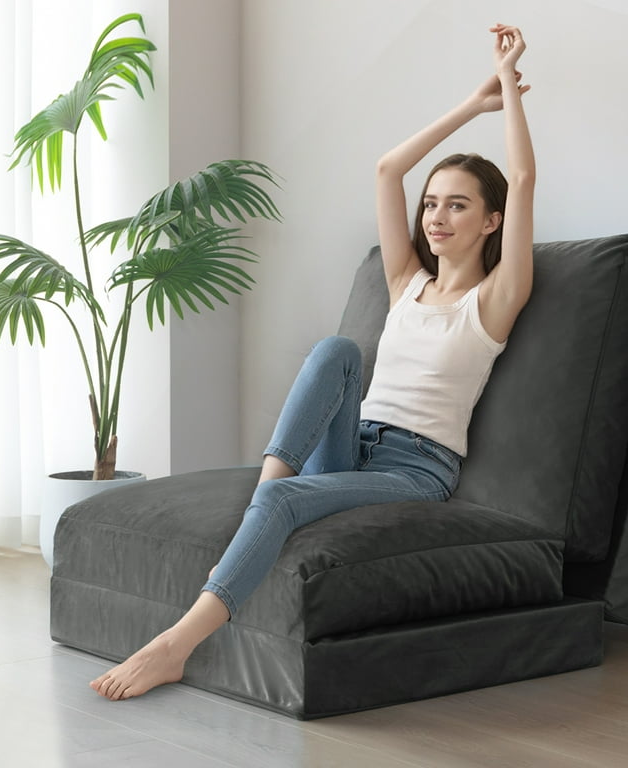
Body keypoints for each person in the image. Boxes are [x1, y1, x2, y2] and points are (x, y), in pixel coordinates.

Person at [90, 23, 535, 701]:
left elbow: (524, 177)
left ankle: (175, 645)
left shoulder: (495, 300)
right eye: (433, 204)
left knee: (287, 495)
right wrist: (471, 107)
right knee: (337, 350)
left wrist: (507, 82)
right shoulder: (406, 282)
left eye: (459, 206)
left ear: (492, 222)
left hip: (416, 468)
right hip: (353, 444)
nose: (437, 217)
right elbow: (389, 169)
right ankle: (269, 492)